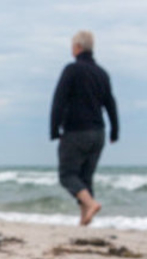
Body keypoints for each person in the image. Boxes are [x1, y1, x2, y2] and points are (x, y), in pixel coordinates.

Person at [50, 30, 119, 226]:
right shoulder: (102, 73)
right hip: (98, 133)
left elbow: (59, 100)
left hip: (76, 131)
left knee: (67, 175)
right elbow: (110, 104)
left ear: (77, 48)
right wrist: (115, 130)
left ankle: (90, 204)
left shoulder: (72, 70)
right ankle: (84, 221)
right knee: (85, 178)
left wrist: (54, 130)